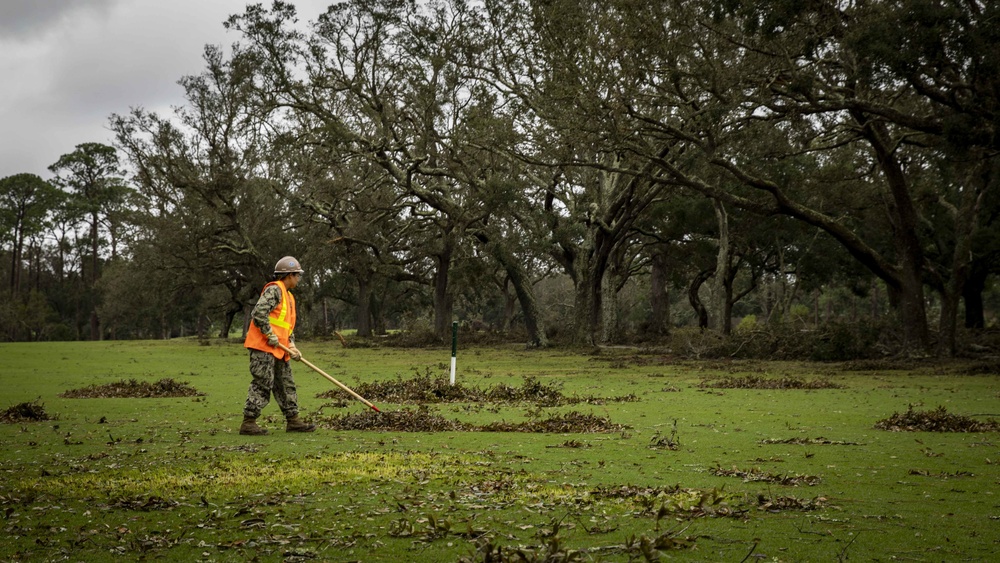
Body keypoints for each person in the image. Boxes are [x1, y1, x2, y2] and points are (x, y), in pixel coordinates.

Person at [239, 256, 317, 435]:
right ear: (289, 275)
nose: (299, 279)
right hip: (264, 347)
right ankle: (248, 422)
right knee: (263, 383)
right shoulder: (275, 290)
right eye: (297, 275)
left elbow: (287, 326)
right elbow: (258, 313)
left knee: (285, 383)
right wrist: (268, 333)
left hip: (281, 350)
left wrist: (293, 345)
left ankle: (293, 421)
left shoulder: (289, 297)